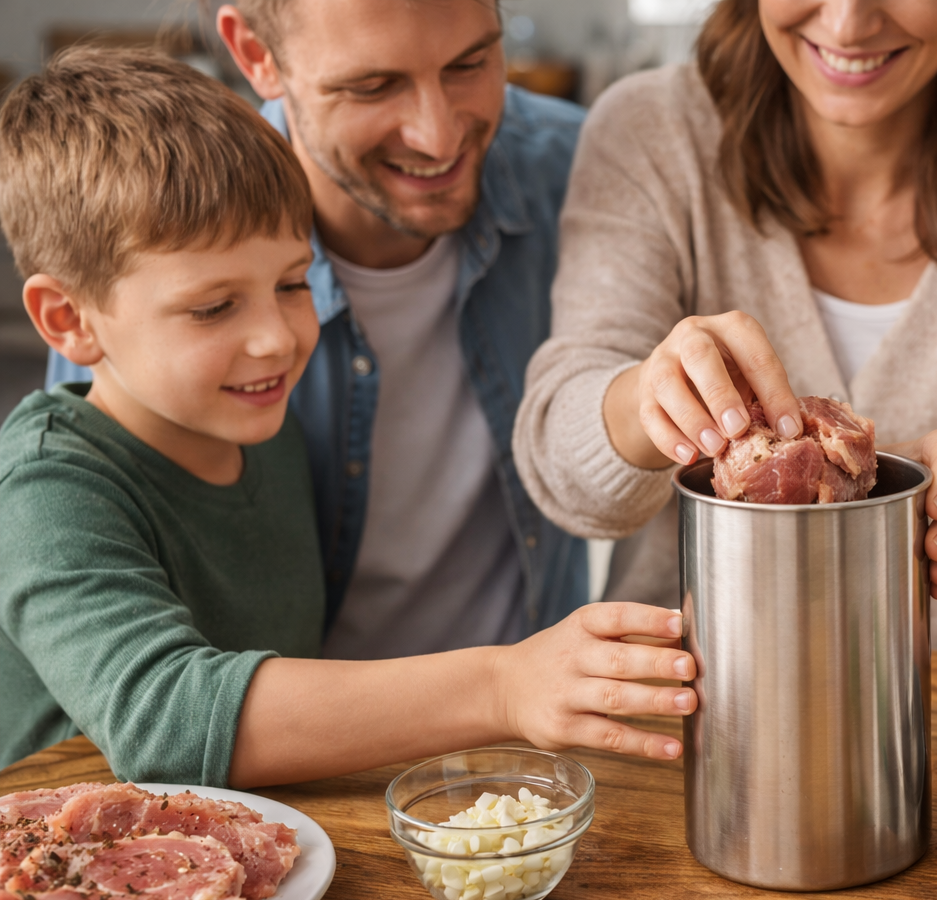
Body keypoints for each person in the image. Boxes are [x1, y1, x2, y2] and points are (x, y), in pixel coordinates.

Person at [0, 49, 697, 784]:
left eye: (293, 284)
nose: (277, 339)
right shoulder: (45, 488)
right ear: (68, 319)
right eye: (214, 307)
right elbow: (166, 717)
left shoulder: (262, 432)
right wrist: (502, 685)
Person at [514, 0, 937, 661]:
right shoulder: (650, 130)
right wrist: (649, 398)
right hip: (676, 700)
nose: (848, 24)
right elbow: (564, 475)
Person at [48, 0, 588, 659]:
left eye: (469, 63)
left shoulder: (586, 170)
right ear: (256, 53)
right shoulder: (146, 244)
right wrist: (503, 686)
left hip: (535, 721)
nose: (437, 136)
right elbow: (142, 668)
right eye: (372, 86)